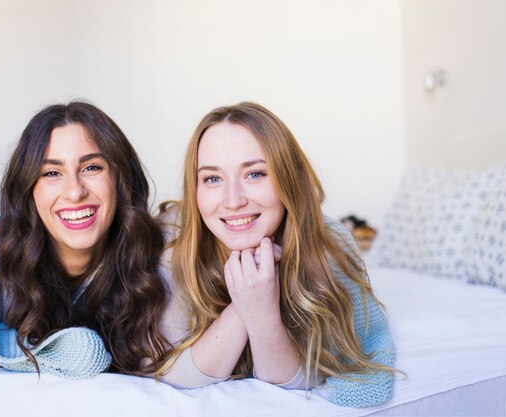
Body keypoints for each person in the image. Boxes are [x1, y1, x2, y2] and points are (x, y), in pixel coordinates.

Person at [155, 102, 396, 407]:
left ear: (287, 179)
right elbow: (175, 371)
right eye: (213, 179)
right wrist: (244, 304)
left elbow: (303, 378)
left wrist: (262, 315)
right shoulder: (172, 240)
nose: (233, 201)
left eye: (254, 174)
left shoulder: (327, 244)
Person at [0, 101, 167, 377]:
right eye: (51, 173)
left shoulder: (149, 250)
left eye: (91, 167)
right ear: (29, 189)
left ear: (120, 179)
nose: (74, 191)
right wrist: (56, 352)